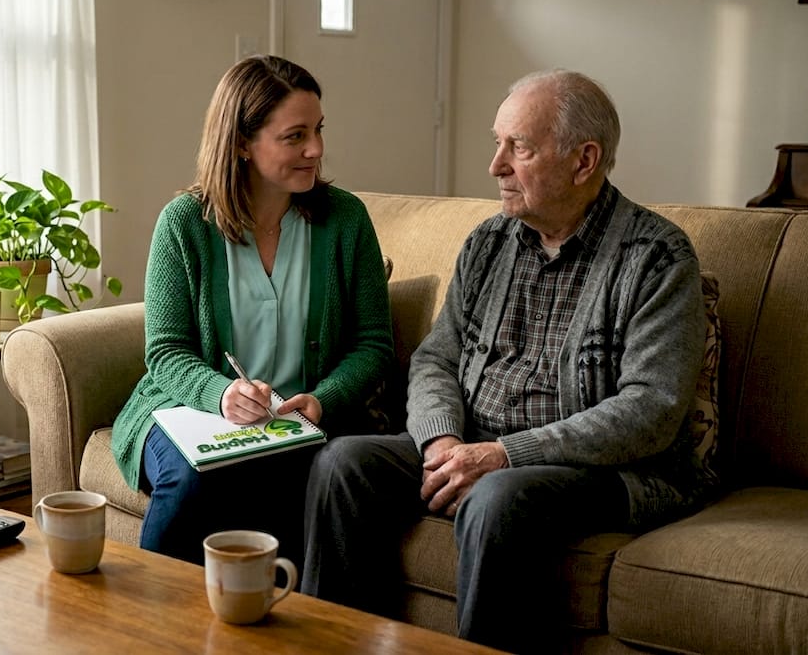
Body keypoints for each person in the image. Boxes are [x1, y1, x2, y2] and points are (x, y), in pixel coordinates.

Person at [301, 69, 713, 653]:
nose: (495, 166)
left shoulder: (657, 257)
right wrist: (442, 440)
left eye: (519, 148)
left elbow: (651, 410)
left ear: (584, 160)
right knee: (343, 462)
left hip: (603, 470)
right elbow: (436, 359)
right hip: (473, 441)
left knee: (498, 497)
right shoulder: (489, 242)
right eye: (498, 143)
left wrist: (506, 454)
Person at [109, 55, 394, 568]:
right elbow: (166, 352)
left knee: (292, 481)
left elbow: (373, 344)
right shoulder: (183, 224)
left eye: (318, 130)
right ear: (242, 142)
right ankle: (151, 615)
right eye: (295, 136)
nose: (316, 149)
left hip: (295, 424)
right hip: (189, 410)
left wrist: (323, 400)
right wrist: (221, 394)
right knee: (192, 481)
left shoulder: (346, 219)